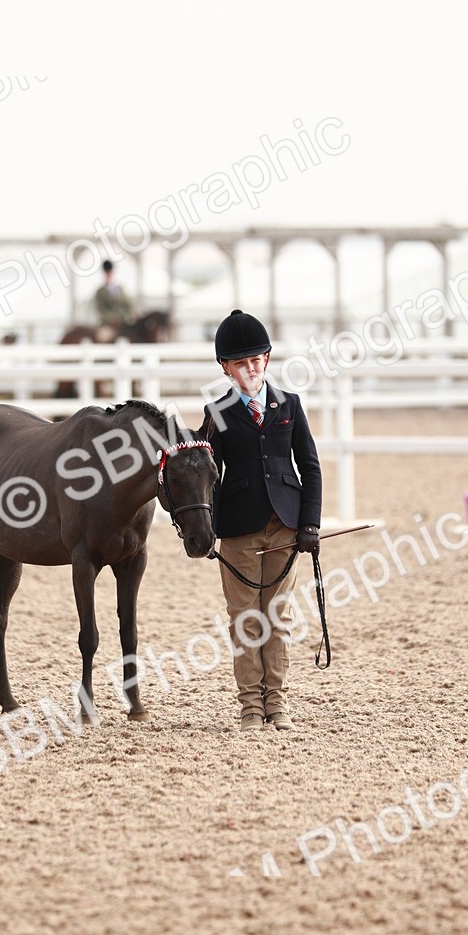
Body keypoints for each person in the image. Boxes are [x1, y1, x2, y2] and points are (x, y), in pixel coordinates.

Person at [200, 309, 322, 733]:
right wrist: (208, 528)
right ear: (226, 368)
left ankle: (278, 702)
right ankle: (251, 705)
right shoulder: (216, 412)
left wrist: (310, 524)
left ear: (266, 360)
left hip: (285, 525)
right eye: (241, 363)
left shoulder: (290, 404)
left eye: (256, 360)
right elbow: (207, 475)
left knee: (278, 615)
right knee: (245, 619)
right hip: (238, 529)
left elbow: (310, 466)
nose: (251, 368)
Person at [94, 259, 133, 330]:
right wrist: (113, 318)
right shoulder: (100, 292)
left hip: (123, 322)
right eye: (107, 273)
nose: (109, 274)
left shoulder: (121, 289)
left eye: (110, 272)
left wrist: (127, 315)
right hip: (107, 324)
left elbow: (129, 304)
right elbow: (100, 309)